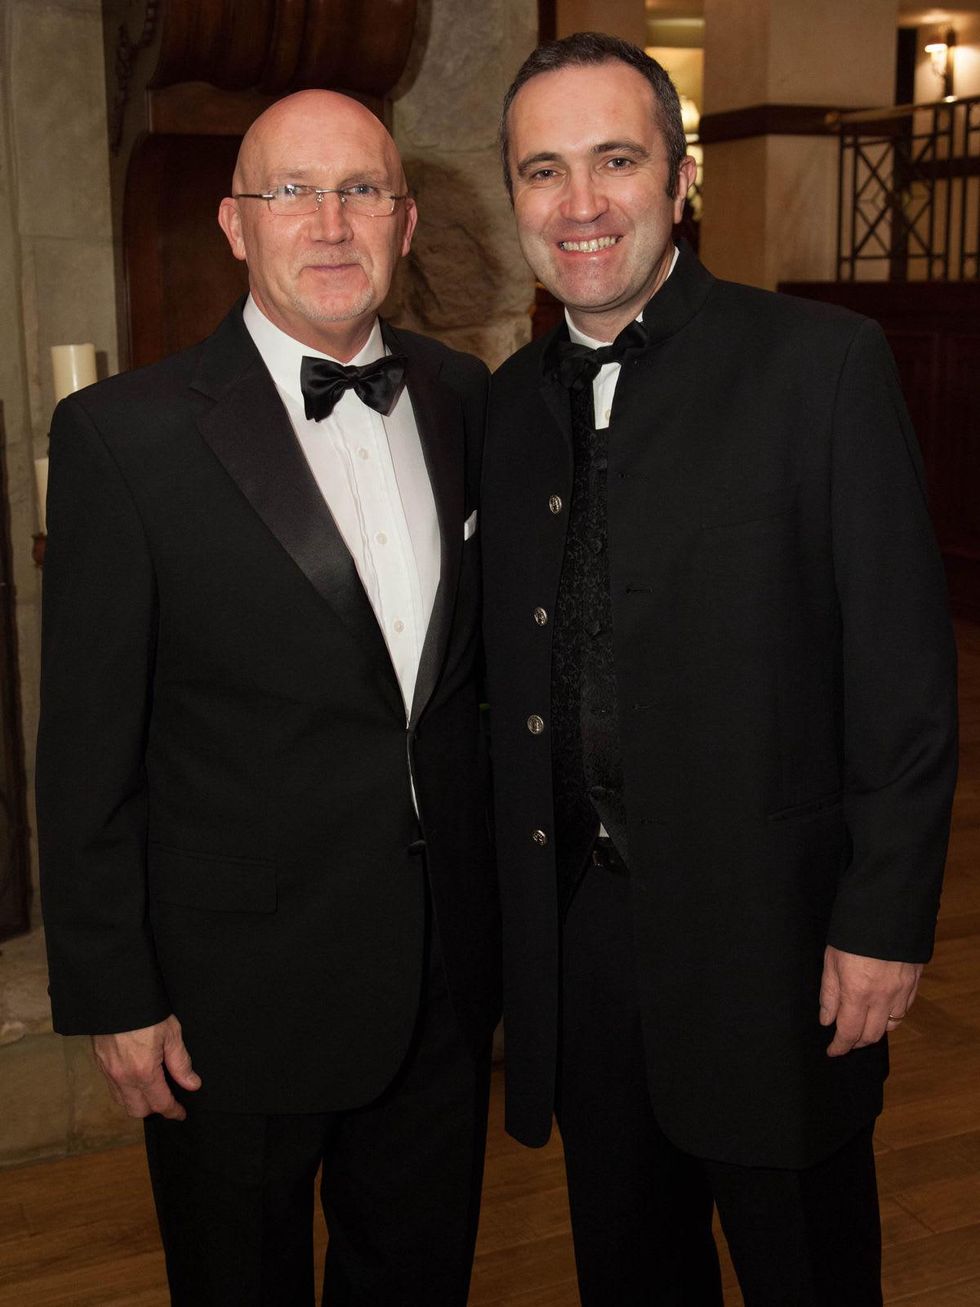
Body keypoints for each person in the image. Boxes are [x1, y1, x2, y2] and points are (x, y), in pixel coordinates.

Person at [481, 32, 958, 1307]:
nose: (578, 204)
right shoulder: (502, 405)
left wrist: (879, 920)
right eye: (542, 170)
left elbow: (904, 681)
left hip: (778, 941)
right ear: (513, 197)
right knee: (628, 1271)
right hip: (582, 953)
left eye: (614, 160)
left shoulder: (821, 367)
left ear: (678, 180)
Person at [37, 89, 499, 1307]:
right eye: (293, 191)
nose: (330, 222)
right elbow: (84, 752)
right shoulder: (121, 439)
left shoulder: (466, 398)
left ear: (403, 222)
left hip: (440, 976)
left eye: (360, 191)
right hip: (227, 998)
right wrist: (116, 990)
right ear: (236, 225)